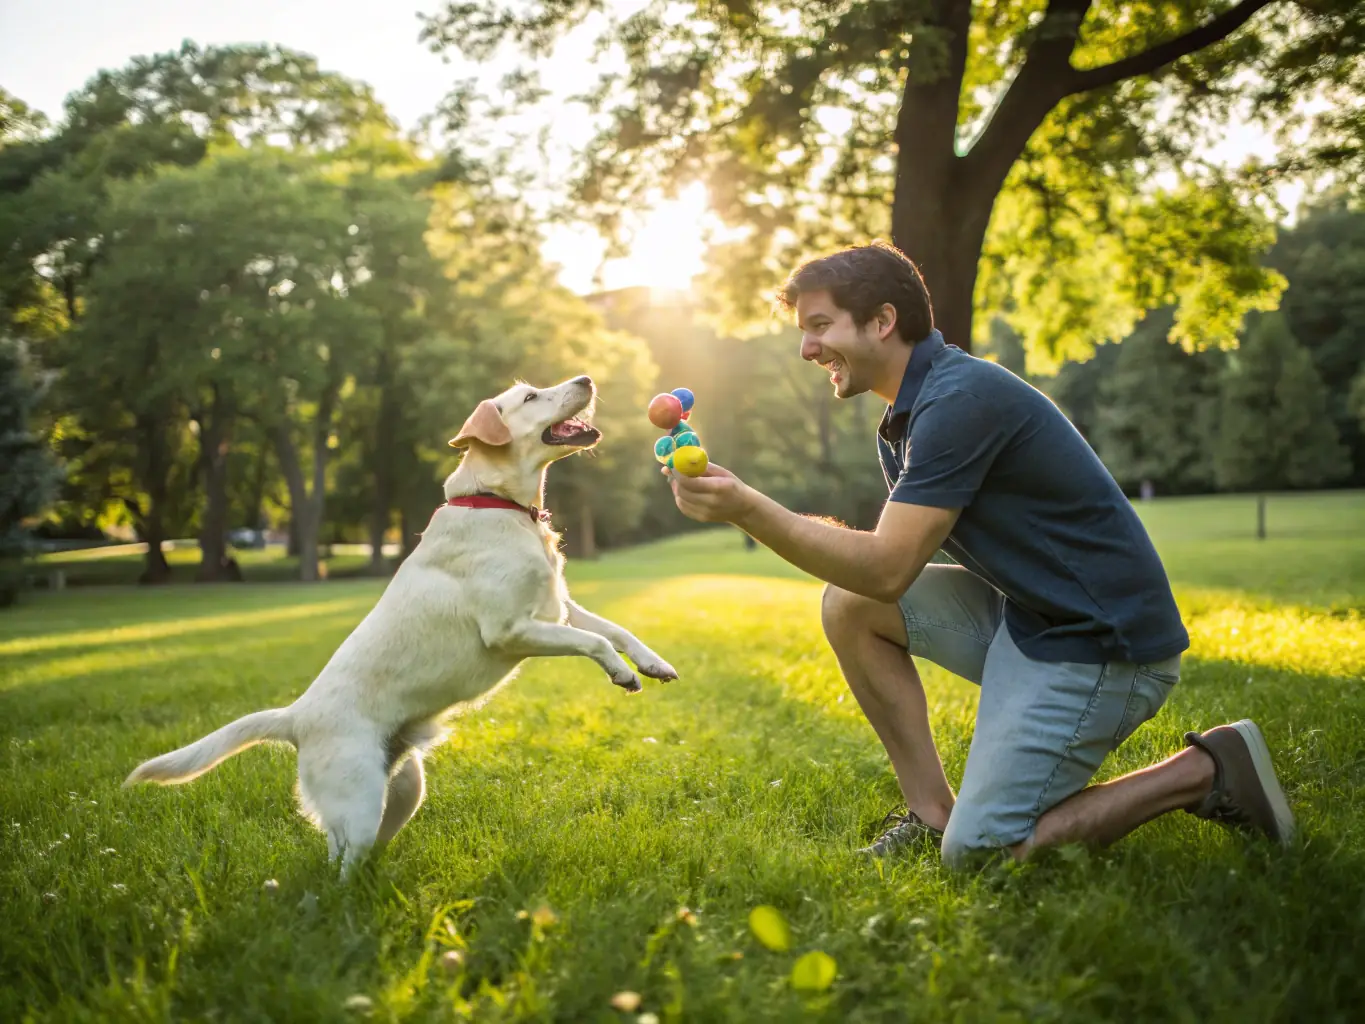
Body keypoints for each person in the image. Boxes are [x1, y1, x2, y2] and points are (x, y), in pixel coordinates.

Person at [667, 241, 1295, 866]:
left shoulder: (958, 401)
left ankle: (1207, 769)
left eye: (820, 326)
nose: (807, 349)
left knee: (984, 853)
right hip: (1033, 620)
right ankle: (929, 813)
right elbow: (874, 576)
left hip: (1105, 647)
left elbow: (888, 567)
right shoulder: (910, 411)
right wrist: (743, 503)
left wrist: (747, 507)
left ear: (883, 321)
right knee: (850, 605)